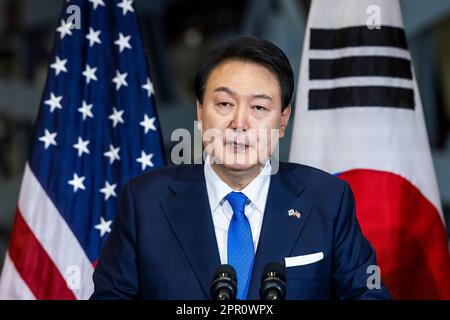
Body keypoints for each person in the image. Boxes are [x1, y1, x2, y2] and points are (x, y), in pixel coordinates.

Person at [91, 36, 391, 300]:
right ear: (199, 111)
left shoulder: (327, 199)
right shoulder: (144, 202)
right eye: (224, 104)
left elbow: (368, 293)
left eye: (259, 107)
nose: (239, 123)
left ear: (283, 121)